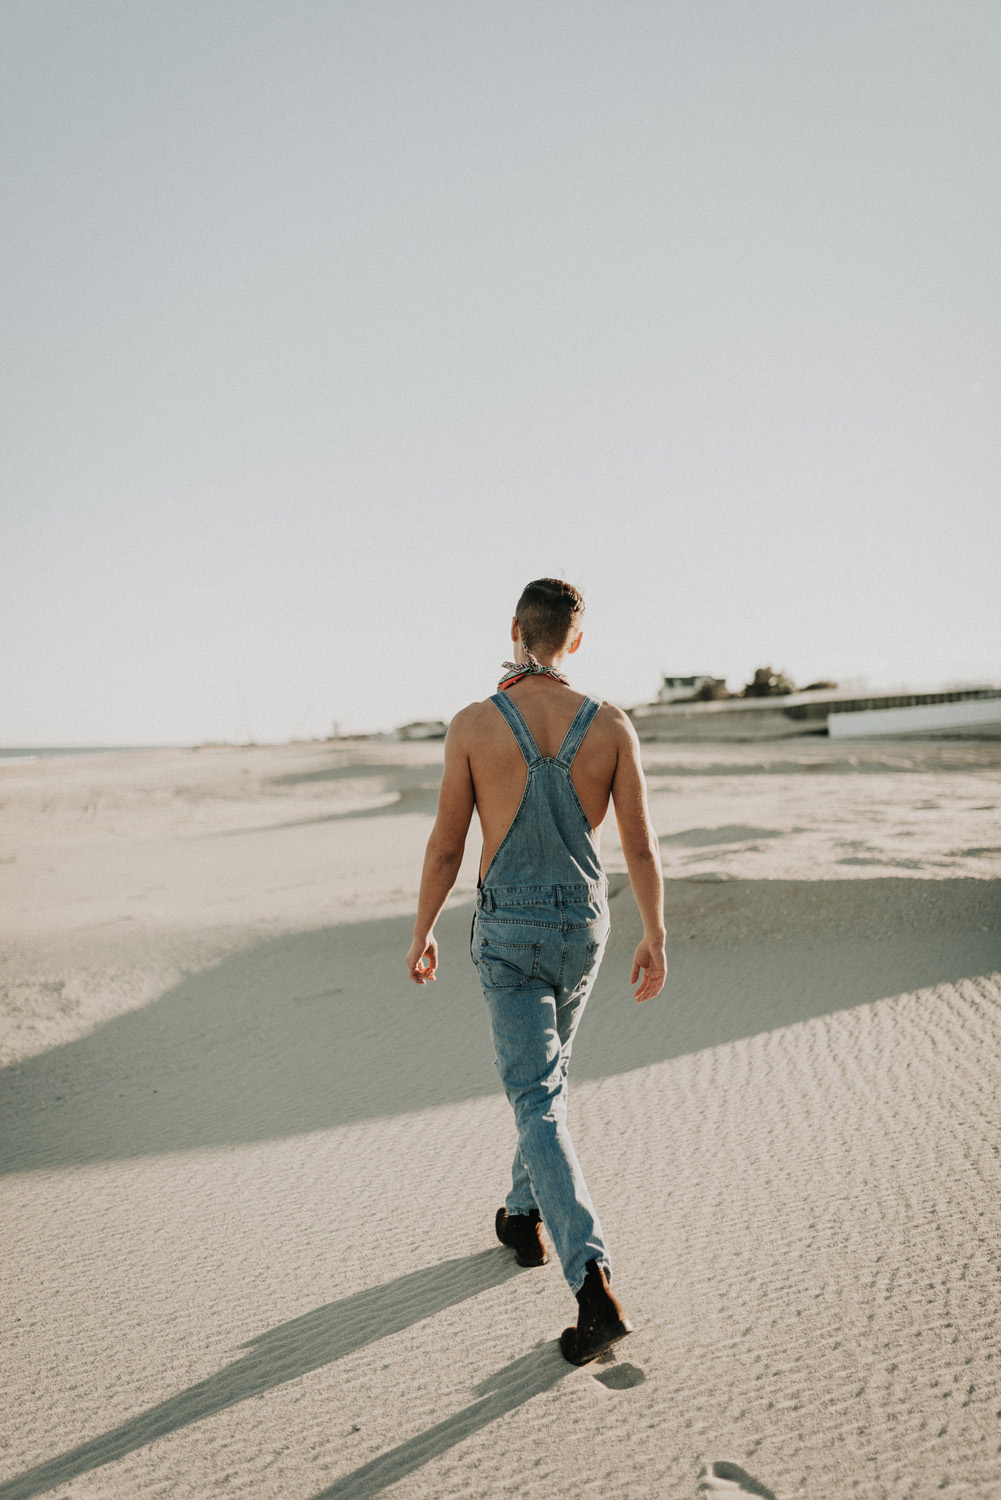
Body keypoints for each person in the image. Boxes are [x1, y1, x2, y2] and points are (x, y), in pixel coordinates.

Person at [404, 578, 667, 1364]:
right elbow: (641, 846)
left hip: (510, 928)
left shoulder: (475, 724)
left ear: (515, 629)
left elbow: (448, 847)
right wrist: (656, 933)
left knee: (536, 1094)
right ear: (574, 642)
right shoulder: (612, 724)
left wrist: (421, 931)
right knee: (546, 1082)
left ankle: (593, 1284)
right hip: (585, 922)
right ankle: (522, 1218)